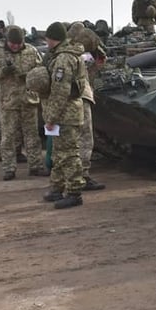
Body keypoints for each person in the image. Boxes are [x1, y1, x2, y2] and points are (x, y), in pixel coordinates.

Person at [0, 25, 47, 180]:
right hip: (8, 101)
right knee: (8, 137)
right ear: (7, 41)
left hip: (28, 99)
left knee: (32, 135)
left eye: (19, 44)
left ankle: (36, 166)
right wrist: (3, 72)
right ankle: (9, 168)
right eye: (13, 44)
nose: (16, 46)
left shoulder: (31, 51)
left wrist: (29, 76)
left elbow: (41, 70)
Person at [41, 22, 88, 209]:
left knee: (68, 154)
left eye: (47, 38)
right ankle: (57, 188)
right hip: (66, 112)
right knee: (59, 153)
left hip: (65, 113)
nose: (46, 42)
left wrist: (51, 118)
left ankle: (75, 192)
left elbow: (60, 92)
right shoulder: (65, 55)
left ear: (53, 39)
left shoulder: (63, 59)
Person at [68, 21, 107, 191]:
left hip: (65, 102)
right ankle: (81, 176)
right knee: (84, 138)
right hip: (79, 99)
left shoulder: (63, 54)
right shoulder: (76, 55)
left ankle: (68, 176)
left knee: (66, 140)